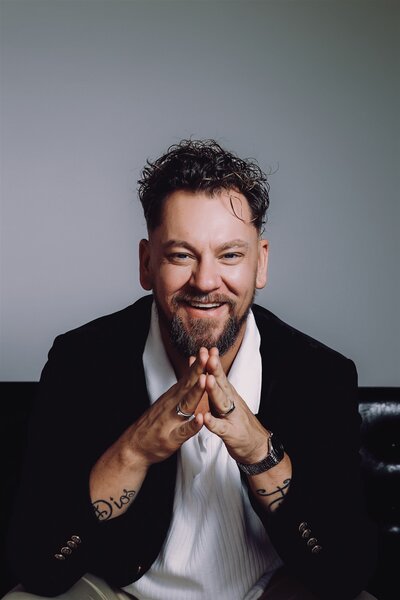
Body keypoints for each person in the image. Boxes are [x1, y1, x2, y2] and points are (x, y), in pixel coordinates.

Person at [6, 140, 376, 600]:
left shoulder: (319, 376)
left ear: (260, 262)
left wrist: (259, 449)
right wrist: (135, 450)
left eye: (230, 255)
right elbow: (38, 567)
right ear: (146, 263)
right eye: (181, 255)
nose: (205, 280)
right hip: (123, 592)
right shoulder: (82, 361)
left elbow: (344, 575)